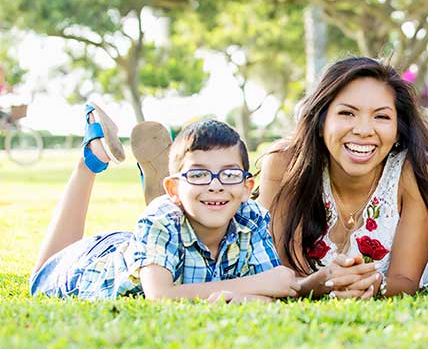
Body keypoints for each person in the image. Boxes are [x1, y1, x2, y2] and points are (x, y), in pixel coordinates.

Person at [30, 105, 301, 302]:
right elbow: (160, 296)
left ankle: (189, 189)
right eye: (199, 174)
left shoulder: (250, 216)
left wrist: (245, 297)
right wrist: (253, 286)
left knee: (174, 224)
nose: (216, 184)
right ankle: (92, 158)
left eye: (229, 174)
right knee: (40, 277)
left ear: (247, 187)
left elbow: (272, 293)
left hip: (147, 247)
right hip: (91, 264)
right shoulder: (160, 217)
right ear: (171, 188)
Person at [257, 57, 428, 299]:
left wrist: (374, 285)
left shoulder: (417, 171)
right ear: (321, 122)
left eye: (381, 117)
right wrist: (314, 285)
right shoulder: (284, 163)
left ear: (398, 130)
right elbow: (281, 272)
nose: (363, 130)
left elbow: (405, 280)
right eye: (347, 113)